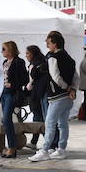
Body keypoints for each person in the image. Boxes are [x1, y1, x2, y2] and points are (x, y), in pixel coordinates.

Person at [31, 30, 75, 161]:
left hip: (57, 96)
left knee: (50, 123)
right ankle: (61, 149)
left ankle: (45, 150)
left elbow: (55, 76)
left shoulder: (52, 57)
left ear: (55, 43)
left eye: (48, 42)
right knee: (62, 124)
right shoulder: (69, 58)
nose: (46, 44)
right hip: (67, 96)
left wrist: (66, 87)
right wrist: (72, 89)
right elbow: (76, 76)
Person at [0, 41, 27, 158]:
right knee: (5, 120)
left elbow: (25, 79)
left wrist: (13, 84)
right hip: (4, 93)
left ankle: (12, 147)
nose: (2, 51)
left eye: (4, 49)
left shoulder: (19, 62)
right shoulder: (5, 62)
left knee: (7, 120)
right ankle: (10, 146)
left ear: (10, 49)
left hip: (11, 93)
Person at [23, 44, 47, 148]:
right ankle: (38, 141)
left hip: (36, 94)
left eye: (28, 53)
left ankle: (46, 142)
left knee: (38, 118)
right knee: (39, 117)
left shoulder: (35, 65)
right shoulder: (41, 62)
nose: (26, 55)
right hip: (38, 94)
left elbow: (32, 81)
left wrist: (26, 88)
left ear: (33, 53)